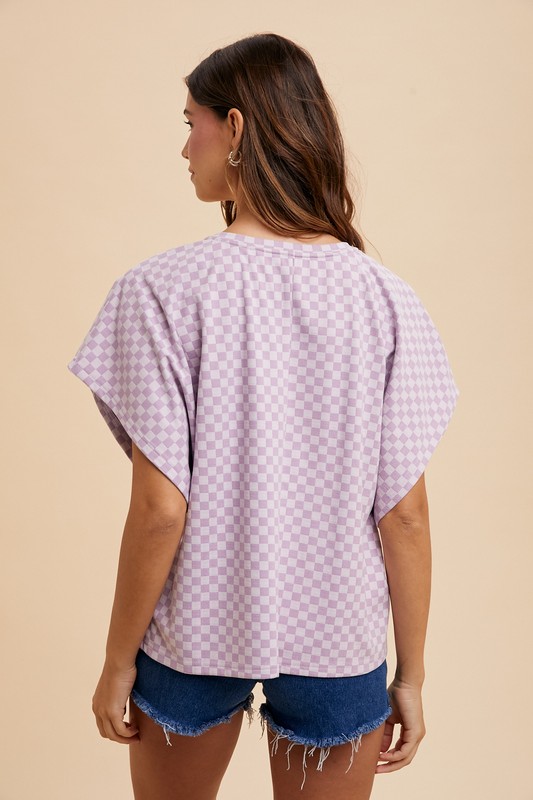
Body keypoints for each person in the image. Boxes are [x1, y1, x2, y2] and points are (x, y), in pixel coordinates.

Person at [67, 32, 459, 800]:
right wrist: (410, 676)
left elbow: (160, 510)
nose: (185, 148)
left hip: (194, 631)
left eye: (192, 123)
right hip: (336, 639)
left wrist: (117, 663)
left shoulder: (161, 291)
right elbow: (404, 515)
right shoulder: (384, 299)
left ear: (236, 128)